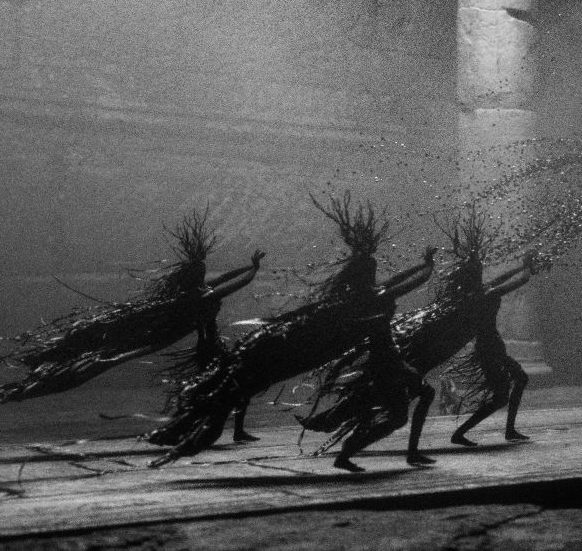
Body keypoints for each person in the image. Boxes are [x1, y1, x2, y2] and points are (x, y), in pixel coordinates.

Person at [145, 193, 434, 471]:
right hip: (379, 362)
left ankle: (355, 451)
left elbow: (397, 281)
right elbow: (405, 284)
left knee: (235, 389)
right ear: (368, 274)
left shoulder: (344, 301)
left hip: (342, 353)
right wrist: (427, 267)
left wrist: (423, 265)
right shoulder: (372, 300)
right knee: (399, 413)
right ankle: (351, 453)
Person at [0, 211, 262, 431]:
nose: (208, 273)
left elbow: (226, 277)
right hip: (172, 336)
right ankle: (219, 426)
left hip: (177, 335)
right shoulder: (200, 296)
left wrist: (248, 266)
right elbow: (234, 283)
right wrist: (253, 271)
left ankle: (224, 425)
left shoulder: (193, 291)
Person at [301, 212, 538, 466]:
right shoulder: (476, 297)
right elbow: (505, 284)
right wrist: (526, 268)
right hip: (404, 357)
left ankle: (339, 426)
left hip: (401, 355)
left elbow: (496, 281)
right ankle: (359, 442)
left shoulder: (465, 298)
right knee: (401, 402)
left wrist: (426, 266)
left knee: (391, 397)